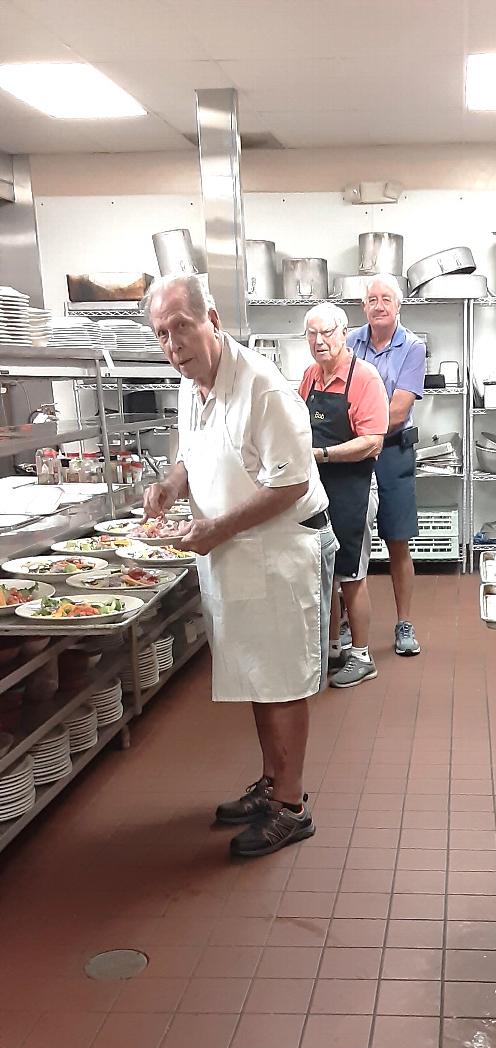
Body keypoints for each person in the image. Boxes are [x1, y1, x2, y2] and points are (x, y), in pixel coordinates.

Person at [142, 273, 337, 859]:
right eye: (162, 334)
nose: (174, 344)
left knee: (282, 683)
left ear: (213, 321)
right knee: (257, 674)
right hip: (233, 553)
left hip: (280, 551)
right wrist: (172, 486)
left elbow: (293, 481)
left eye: (182, 327)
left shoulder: (263, 388)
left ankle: (293, 806)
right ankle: (272, 783)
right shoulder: (191, 383)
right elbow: (191, 452)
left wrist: (216, 527)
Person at [299, 303, 389, 689]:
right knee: (324, 571)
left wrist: (323, 454)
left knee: (351, 573)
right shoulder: (310, 377)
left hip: (352, 486)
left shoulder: (364, 379)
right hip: (316, 488)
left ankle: (362, 654)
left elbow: (372, 442)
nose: (320, 341)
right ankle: (333, 646)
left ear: (343, 332)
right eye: (312, 335)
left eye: (327, 333)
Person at [347, 273, 426, 657]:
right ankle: (347, 625)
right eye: (372, 299)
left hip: (392, 451)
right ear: (364, 306)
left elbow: (399, 408)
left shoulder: (412, 347)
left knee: (397, 539)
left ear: (398, 305)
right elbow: (337, 393)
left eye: (386, 299)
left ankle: (404, 623)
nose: (378, 305)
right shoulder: (349, 342)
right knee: (347, 539)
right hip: (354, 454)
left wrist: (361, 432)